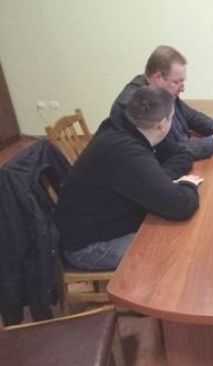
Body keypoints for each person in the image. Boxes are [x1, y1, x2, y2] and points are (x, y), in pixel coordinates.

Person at [57, 87, 202, 270]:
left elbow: (182, 153)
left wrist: (158, 180)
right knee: (175, 252)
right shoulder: (125, 150)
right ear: (162, 124)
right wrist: (187, 184)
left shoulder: (132, 126)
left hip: (113, 220)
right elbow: (181, 206)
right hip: (88, 245)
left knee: (177, 236)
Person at [111, 45, 213, 160]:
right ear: (158, 77)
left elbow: (191, 115)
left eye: (182, 81)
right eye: (176, 82)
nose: (183, 88)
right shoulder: (139, 104)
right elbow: (167, 151)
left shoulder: (161, 93)